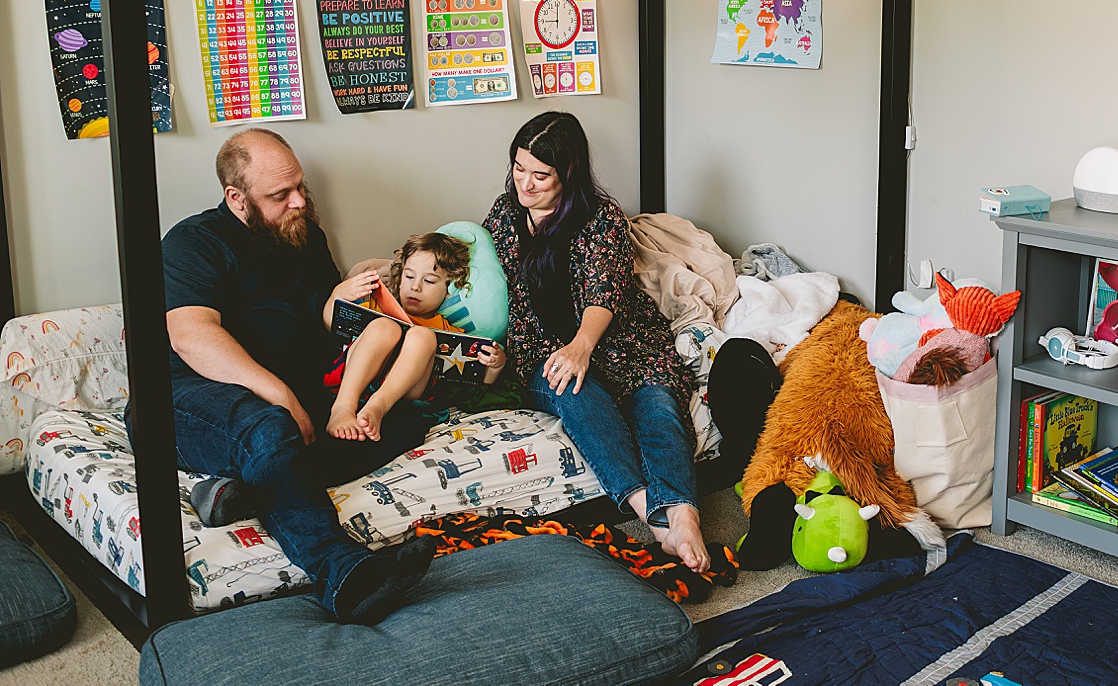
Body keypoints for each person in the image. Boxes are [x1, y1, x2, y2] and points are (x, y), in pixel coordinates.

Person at [140, 127, 437, 624]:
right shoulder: (195, 241)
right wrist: (277, 393)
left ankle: (243, 487)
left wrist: (355, 294)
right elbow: (190, 334)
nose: (299, 201)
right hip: (185, 398)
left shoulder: (304, 234)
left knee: (400, 420)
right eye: (280, 194)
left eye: (300, 186)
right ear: (236, 198)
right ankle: (342, 573)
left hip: (289, 395)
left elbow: (324, 322)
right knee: (268, 427)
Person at [483, 111, 710, 571]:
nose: (525, 184)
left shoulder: (600, 217)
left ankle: (684, 513)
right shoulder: (505, 216)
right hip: (542, 348)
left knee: (658, 404)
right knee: (575, 392)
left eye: (540, 175)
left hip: (620, 341)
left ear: (567, 173)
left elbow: (605, 290)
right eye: (519, 168)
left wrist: (582, 346)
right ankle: (654, 514)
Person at [324, 232, 505, 442]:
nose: (415, 286)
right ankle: (343, 406)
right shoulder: (378, 306)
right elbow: (331, 323)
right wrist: (338, 294)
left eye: (429, 281)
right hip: (358, 377)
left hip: (405, 393)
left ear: (447, 291)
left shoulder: (446, 329)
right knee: (385, 326)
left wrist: (495, 365)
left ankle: (378, 406)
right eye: (409, 277)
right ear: (400, 280)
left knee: (423, 336)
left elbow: (477, 379)